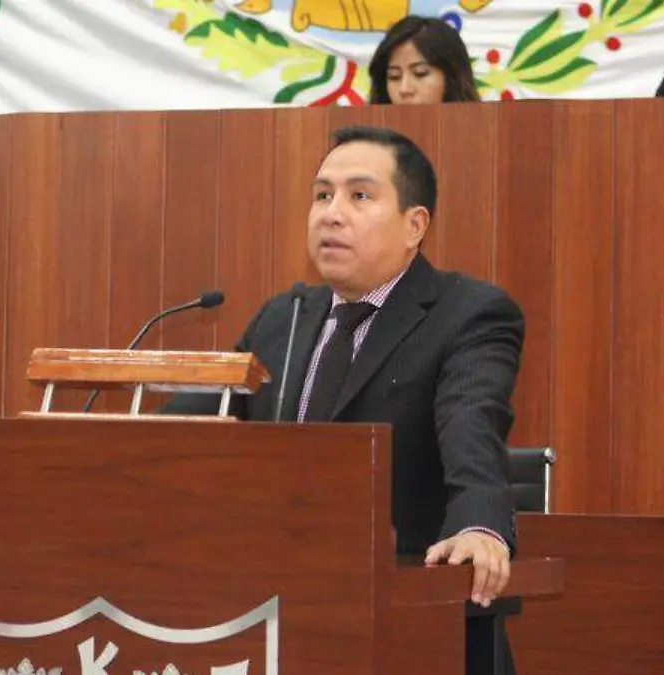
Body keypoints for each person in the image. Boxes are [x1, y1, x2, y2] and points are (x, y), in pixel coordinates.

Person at [164, 125, 524, 673]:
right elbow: (192, 430)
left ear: (414, 225)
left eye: (359, 196)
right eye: (322, 195)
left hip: (413, 629)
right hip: (275, 620)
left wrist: (479, 525)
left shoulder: (468, 315)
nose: (331, 214)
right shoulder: (282, 318)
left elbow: (472, 424)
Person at [368, 16, 481, 104]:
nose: (404, 89)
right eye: (394, 76)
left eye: (420, 73)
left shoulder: (485, 126)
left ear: (451, 78)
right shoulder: (367, 126)